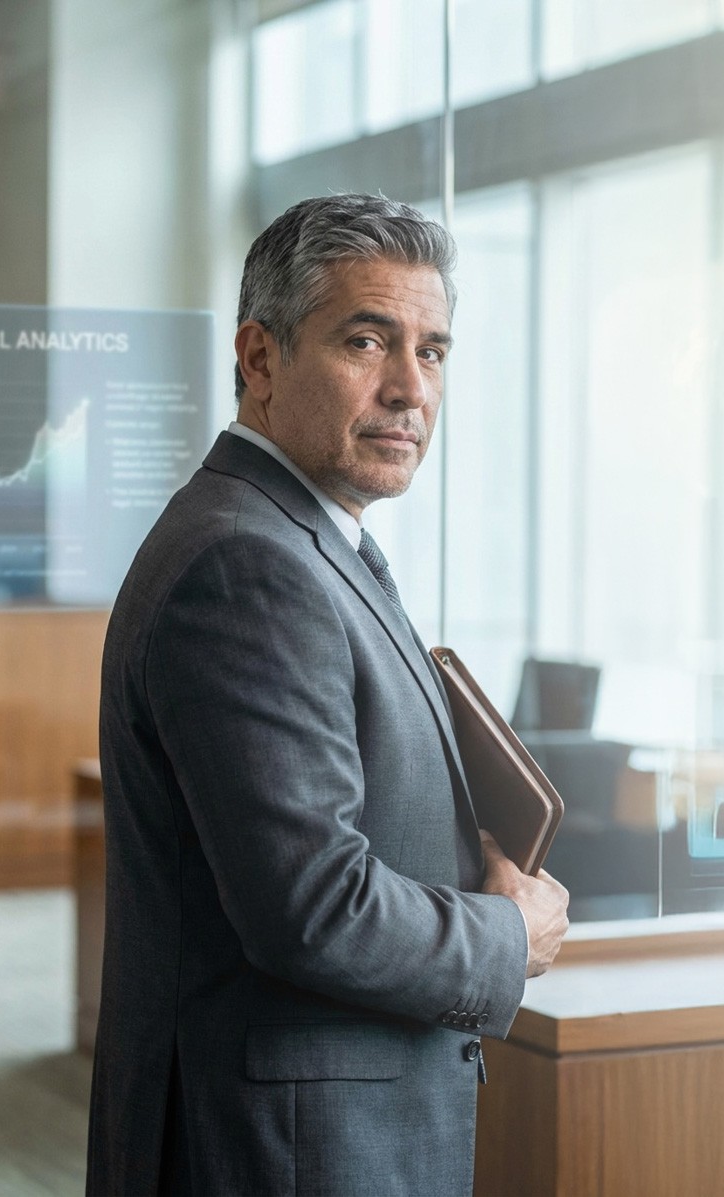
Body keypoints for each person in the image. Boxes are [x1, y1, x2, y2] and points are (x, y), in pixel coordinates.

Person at [85, 193, 571, 1195]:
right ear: (258, 359)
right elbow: (312, 906)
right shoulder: (246, 564)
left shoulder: (304, 539)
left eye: (432, 351)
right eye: (366, 340)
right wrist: (506, 937)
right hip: (284, 1155)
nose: (409, 389)